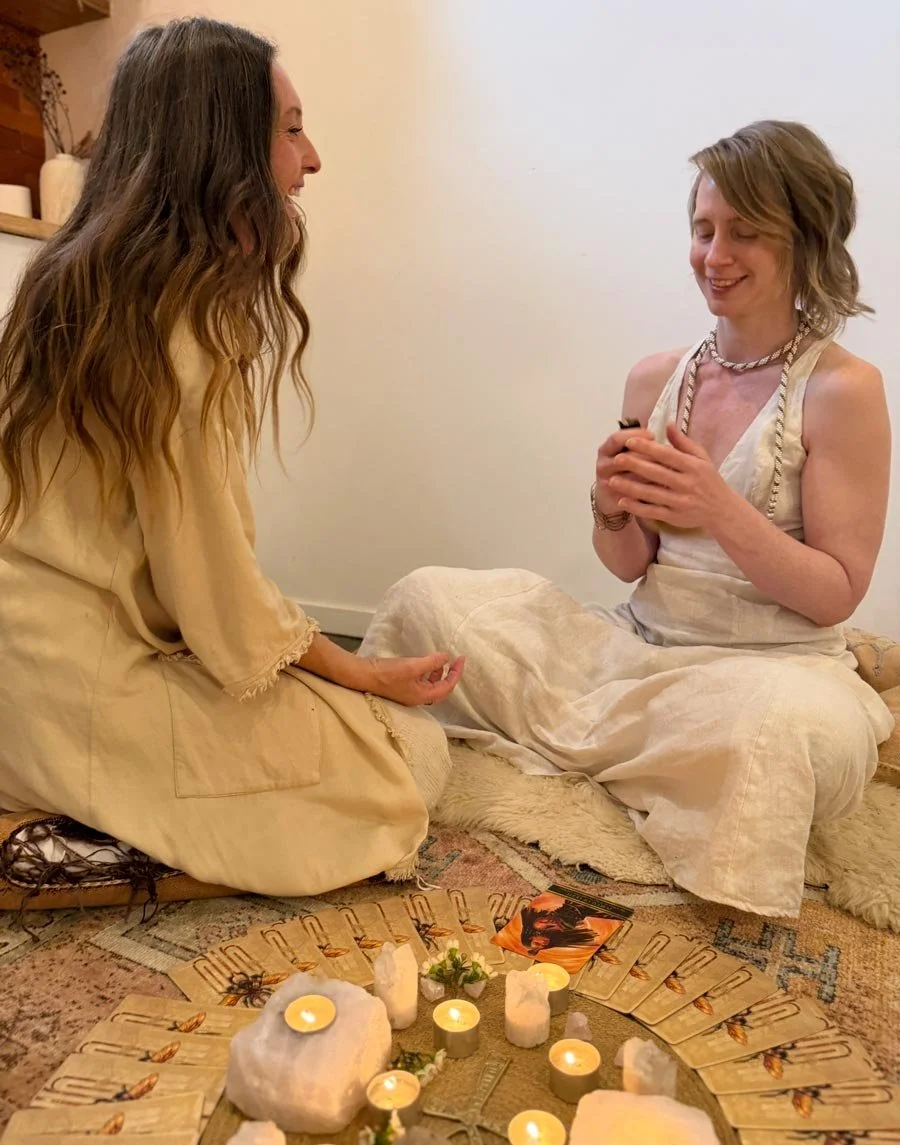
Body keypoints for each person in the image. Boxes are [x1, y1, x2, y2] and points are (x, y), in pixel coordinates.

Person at [362, 121, 894, 918]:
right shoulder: (655, 379)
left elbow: (837, 593)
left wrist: (718, 506)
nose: (714, 255)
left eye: (745, 233)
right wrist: (609, 504)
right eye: (704, 229)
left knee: (777, 732)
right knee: (428, 600)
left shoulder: (844, 391)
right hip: (640, 649)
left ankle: (617, 753)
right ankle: (650, 762)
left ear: (805, 241)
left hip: (773, 672)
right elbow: (628, 563)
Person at [0, 18, 464, 897]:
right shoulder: (174, 322)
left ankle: (82, 809)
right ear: (219, 151)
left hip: (25, 670)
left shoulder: (75, 280)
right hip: (66, 690)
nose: (312, 159)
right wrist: (358, 671)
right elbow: (217, 601)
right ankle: (66, 842)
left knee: (341, 716)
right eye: (291, 130)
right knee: (405, 758)